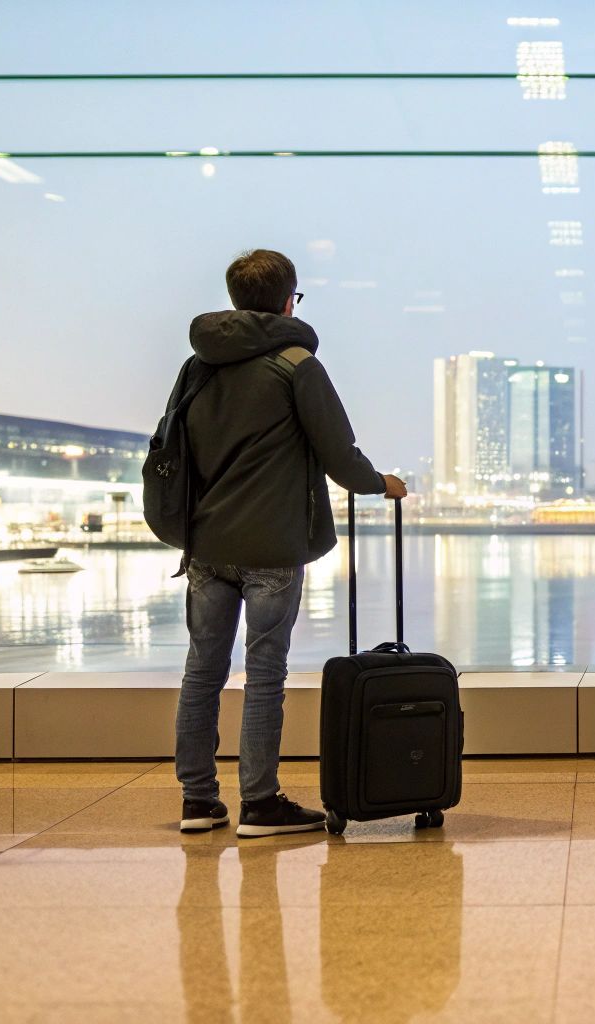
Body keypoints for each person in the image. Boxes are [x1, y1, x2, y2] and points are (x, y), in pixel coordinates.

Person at [173, 249, 407, 837]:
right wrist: (380, 484)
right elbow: (338, 452)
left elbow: (175, 449)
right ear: (287, 300)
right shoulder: (296, 363)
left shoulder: (197, 365)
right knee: (265, 671)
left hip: (205, 544)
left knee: (202, 671)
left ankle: (198, 802)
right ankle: (260, 802)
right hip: (272, 546)